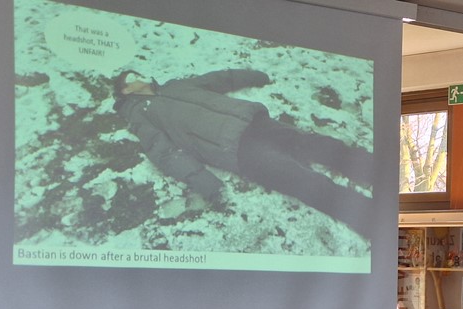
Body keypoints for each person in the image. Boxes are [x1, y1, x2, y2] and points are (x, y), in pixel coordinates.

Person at [112, 69, 372, 235]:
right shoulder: (139, 115)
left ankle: (375, 169)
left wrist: (254, 76)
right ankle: (370, 217)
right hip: (233, 149)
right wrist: (204, 181)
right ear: (125, 91)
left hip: (253, 121)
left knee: (315, 144)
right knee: (300, 179)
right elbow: (164, 153)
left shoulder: (175, 86)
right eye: (131, 77)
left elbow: (217, 79)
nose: (139, 75)